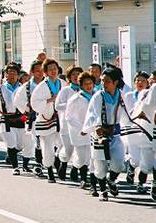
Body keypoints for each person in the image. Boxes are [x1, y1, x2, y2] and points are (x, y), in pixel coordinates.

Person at [82, 67, 132, 201]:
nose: (104, 83)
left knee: (119, 162)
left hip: (114, 133)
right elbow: (93, 114)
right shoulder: (98, 96)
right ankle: (103, 190)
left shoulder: (121, 95)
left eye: (107, 81)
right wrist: (96, 126)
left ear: (116, 82)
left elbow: (129, 113)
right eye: (103, 81)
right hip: (100, 134)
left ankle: (112, 180)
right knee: (100, 164)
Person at [0, 63, 34, 175]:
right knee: (11, 143)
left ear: (18, 75)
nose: (12, 75)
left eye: (14, 73)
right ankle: (15, 166)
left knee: (22, 144)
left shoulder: (24, 89)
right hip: (5, 119)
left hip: (20, 118)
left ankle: (16, 158)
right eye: (9, 72)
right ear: (5, 75)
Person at [31, 58, 63, 183]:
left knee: (63, 144)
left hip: (60, 119)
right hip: (46, 118)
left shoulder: (63, 83)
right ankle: (49, 169)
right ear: (46, 72)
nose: (53, 71)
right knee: (48, 146)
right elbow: (34, 103)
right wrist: (49, 100)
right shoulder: (42, 86)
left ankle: (60, 162)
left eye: (55, 68)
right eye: (50, 69)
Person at [120, 71, 152, 193]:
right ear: (134, 83)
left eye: (143, 81)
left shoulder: (149, 96)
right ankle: (131, 166)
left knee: (145, 160)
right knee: (136, 159)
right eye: (137, 80)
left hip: (145, 131)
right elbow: (127, 113)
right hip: (131, 130)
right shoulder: (128, 96)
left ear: (147, 83)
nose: (140, 83)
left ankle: (141, 182)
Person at [65, 72, 96, 192]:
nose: (88, 86)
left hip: (92, 130)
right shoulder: (75, 98)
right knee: (82, 156)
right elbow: (69, 117)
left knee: (90, 156)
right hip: (78, 132)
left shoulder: (96, 96)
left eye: (90, 83)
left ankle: (79, 170)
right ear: (81, 85)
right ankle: (83, 178)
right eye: (85, 84)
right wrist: (81, 128)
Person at [15, 60, 45, 176]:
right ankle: (37, 164)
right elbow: (17, 101)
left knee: (48, 142)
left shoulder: (48, 84)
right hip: (34, 117)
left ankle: (48, 163)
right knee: (36, 141)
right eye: (37, 71)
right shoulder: (26, 87)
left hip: (48, 116)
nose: (40, 73)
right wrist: (27, 109)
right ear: (32, 72)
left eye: (42, 70)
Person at [54, 65, 83, 181]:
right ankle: (63, 162)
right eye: (73, 74)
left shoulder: (85, 90)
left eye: (78, 74)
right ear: (69, 77)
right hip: (66, 125)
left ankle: (75, 169)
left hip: (80, 126)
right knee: (68, 149)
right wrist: (71, 105)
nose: (76, 77)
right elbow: (57, 106)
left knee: (80, 149)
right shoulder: (65, 90)